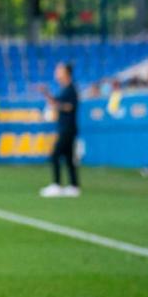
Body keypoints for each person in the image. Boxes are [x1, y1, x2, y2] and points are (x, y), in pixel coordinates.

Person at [41, 63, 81, 198]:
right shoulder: (63, 89)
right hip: (64, 127)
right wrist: (46, 93)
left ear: (66, 73)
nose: (57, 72)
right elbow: (55, 102)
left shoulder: (71, 89)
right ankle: (74, 186)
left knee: (55, 154)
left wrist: (57, 105)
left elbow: (69, 107)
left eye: (59, 70)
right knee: (69, 158)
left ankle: (56, 185)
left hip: (68, 128)